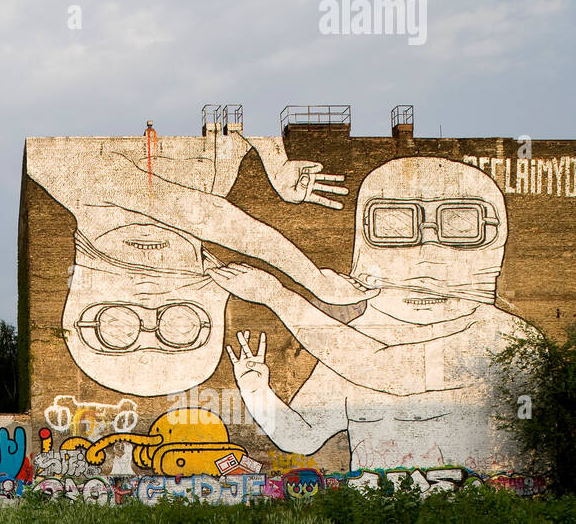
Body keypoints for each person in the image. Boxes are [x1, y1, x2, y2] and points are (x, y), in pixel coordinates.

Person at [215, 157, 526, 471]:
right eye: (394, 225)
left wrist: (277, 296)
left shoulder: (505, 337)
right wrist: (256, 390)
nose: (426, 257)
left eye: (461, 226)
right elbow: (301, 435)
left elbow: (385, 369)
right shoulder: (355, 338)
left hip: (465, 510)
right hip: (374, 507)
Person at [27, 128, 372, 396]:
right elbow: (244, 96)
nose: (149, 303)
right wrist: (273, 156)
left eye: (115, 327)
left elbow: (204, 215)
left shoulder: (55, 168)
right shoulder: (220, 178)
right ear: (218, 293)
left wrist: (315, 280)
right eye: (182, 326)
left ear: (75, 308)